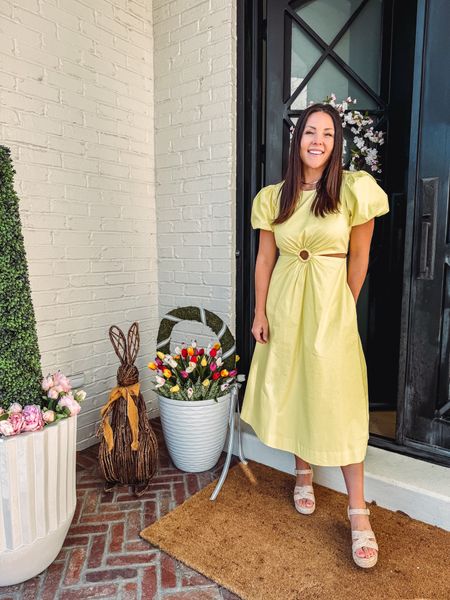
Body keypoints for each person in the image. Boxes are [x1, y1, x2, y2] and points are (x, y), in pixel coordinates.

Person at [240, 102, 389, 569]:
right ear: (297, 138)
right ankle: (303, 471)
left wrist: (342, 304)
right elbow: (265, 259)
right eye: (309, 131)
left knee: (338, 399)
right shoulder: (273, 197)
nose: (317, 140)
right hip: (284, 306)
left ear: (336, 142)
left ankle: (357, 513)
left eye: (327, 132)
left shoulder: (352, 191)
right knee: (298, 384)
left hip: (330, 306)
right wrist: (260, 311)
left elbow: (359, 258)